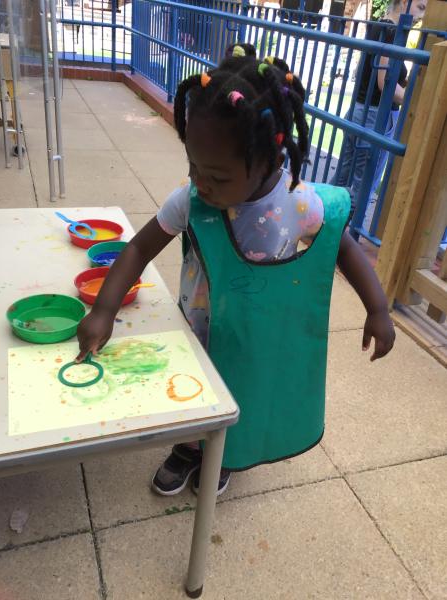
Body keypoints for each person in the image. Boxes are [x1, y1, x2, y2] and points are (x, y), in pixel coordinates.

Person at [76, 47, 395, 497]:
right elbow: (139, 248)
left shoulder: (300, 204)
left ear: (269, 161)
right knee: (195, 390)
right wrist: (104, 310)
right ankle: (188, 448)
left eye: (219, 177)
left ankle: (226, 453)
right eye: (193, 166)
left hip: (255, 331)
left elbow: (342, 247)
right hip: (201, 326)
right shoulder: (192, 200)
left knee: (241, 388)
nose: (201, 182)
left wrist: (377, 309)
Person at [333, 0, 426, 206]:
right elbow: (386, 83)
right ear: (404, 2)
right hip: (376, 115)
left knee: (342, 179)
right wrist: (418, 102)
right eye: (420, 8)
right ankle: (348, 225)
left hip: (360, 109)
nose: (422, 16)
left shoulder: (379, 25)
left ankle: (320, 220)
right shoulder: (392, 32)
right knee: (363, 186)